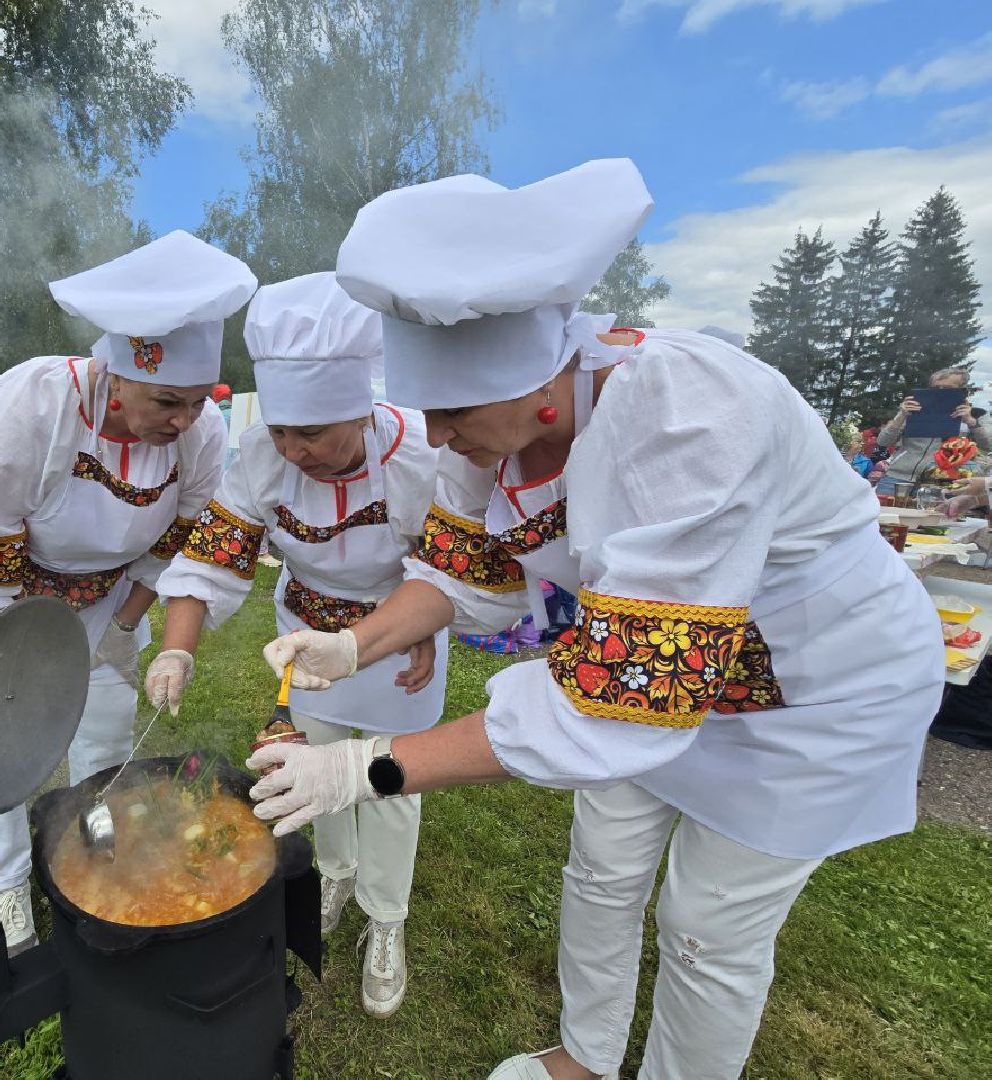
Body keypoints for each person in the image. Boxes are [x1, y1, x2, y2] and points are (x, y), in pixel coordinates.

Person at [246, 162, 944, 1080]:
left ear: (538, 379)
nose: (438, 435)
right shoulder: (485, 439)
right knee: (604, 862)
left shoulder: (687, 408)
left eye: (451, 412)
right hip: (652, 669)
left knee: (707, 924)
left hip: (817, 692)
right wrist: (354, 641)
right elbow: (460, 576)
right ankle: (585, 1056)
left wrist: (362, 767)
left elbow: (621, 695)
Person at [148, 273, 471, 1018]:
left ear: (360, 408)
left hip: (396, 635)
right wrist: (179, 649)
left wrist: (428, 626)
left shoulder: (419, 454)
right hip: (304, 636)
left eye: (314, 434)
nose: (293, 451)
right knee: (312, 762)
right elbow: (211, 557)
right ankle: (334, 870)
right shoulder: (262, 456)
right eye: (283, 430)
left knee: (393, 779)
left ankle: (386, 919)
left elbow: (450, 563)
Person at [0, 230, 253, 951]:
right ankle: (8, 883)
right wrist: (31, 665)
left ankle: (94, 848)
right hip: (0, 604)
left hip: (107, 599)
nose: (187, 421)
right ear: (116, 375)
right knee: (2, 743)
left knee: (105, 728)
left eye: (199, 401)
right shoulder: (35, 405)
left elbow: (174, 545)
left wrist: (121, 629)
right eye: (168, 400)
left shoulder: (196, 436)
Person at [874, 369, 989, 494]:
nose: (940, 391)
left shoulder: (977, 414)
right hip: (897, 477)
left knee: (931, 514)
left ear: (961, 390)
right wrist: (901, 416)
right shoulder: (914, 409)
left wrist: (971, 422)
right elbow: (883, 441)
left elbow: (989, 445)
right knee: (883, 513)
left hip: (941, 482)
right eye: (936, 387)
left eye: (947, 388)